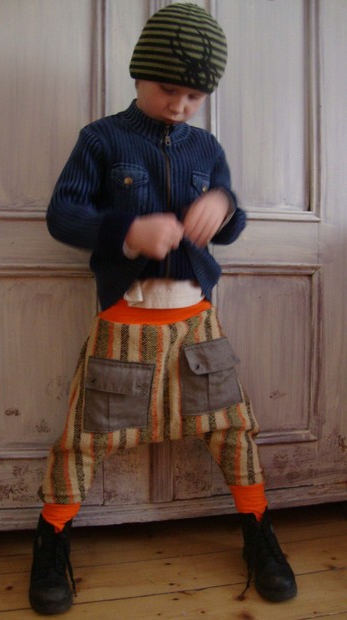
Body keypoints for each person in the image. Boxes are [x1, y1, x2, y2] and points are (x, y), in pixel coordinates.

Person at [29, 3, 297, 615]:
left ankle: (259, 531)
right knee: (83, 437)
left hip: (197, 322)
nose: (179, 106)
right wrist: (127, 231)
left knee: (233, 429)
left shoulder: (208, 148)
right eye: (167, 89)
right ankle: (51, 537)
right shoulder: (101, 139)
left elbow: (233, 224)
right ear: (138, 74)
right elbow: (63, 215)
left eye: (195, 96)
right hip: (124, 323)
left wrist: (223, 206)